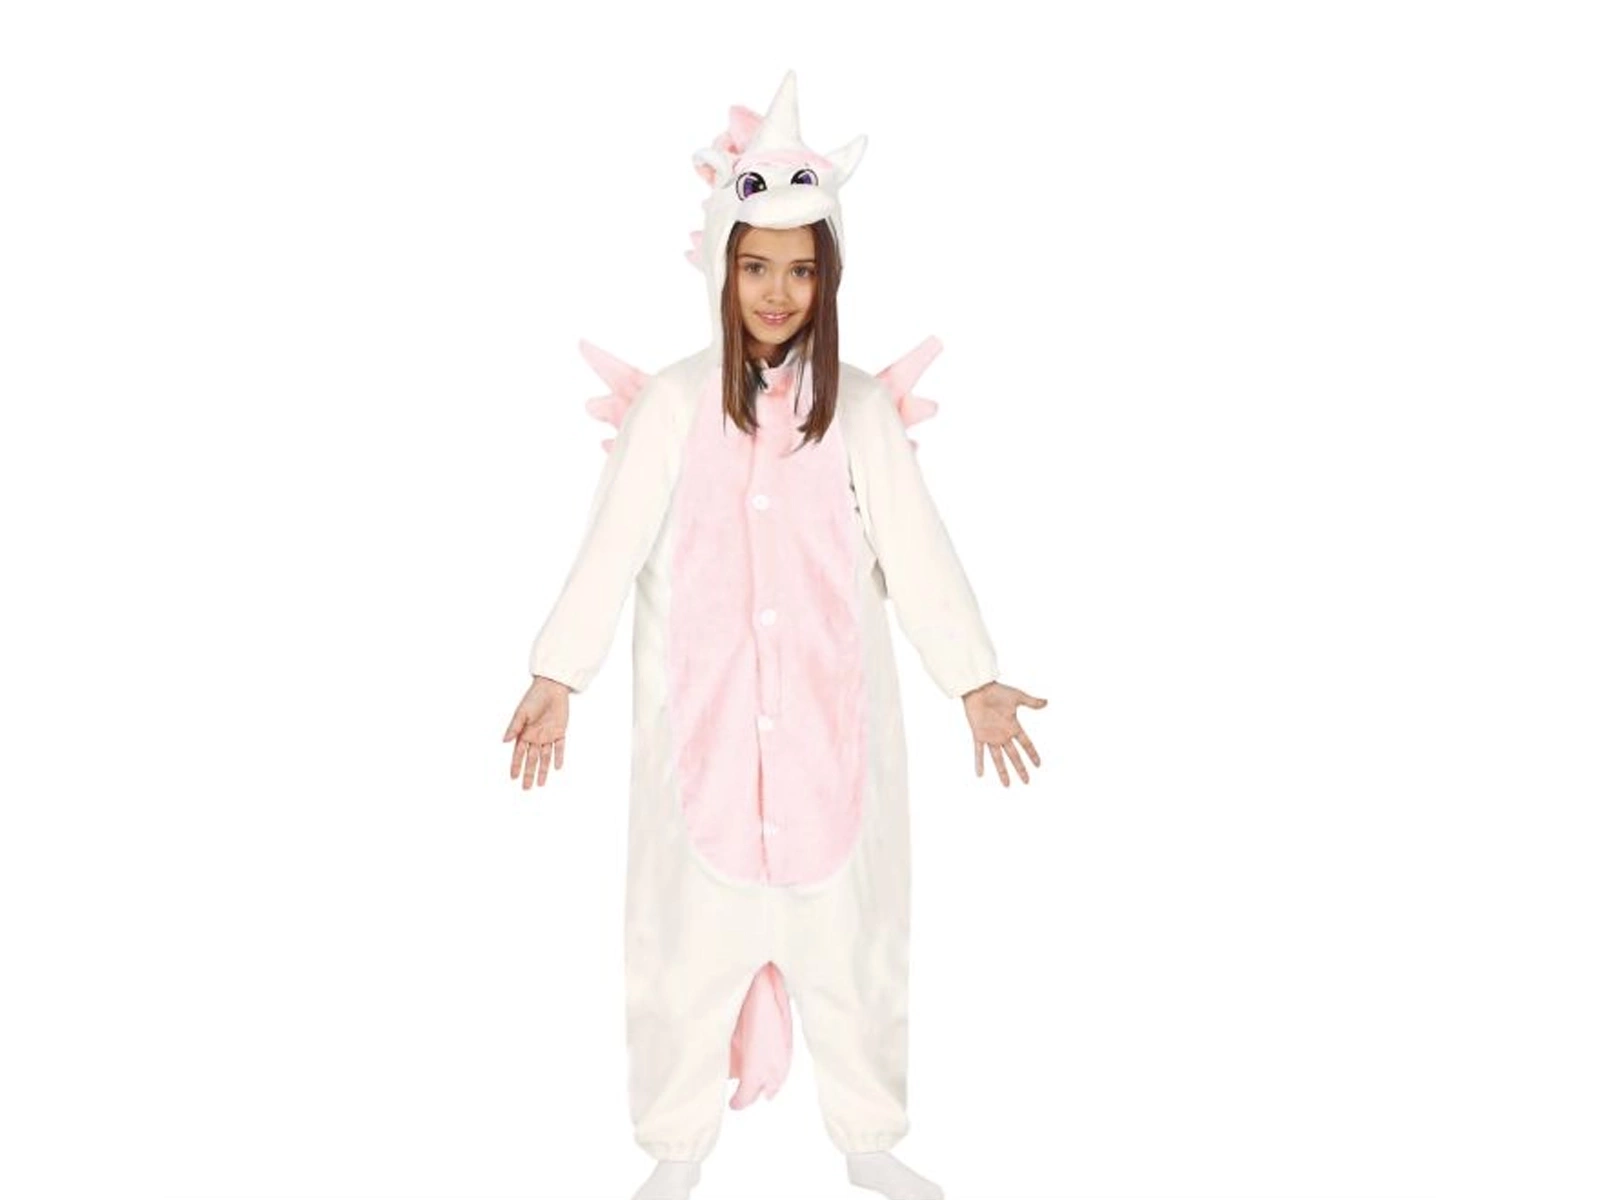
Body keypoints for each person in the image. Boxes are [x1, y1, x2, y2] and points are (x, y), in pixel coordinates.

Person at [501, 70, 1046, 1200]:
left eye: (801, 271)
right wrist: (559, 673)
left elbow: (919, 551)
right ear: (721, 266)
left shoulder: (859, 412)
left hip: (830, 737)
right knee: (680, 950)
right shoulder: (671, 407)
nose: (777, 292)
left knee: (855, 942)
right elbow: (609, 547)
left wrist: (973, 680)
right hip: (698, 738)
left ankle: (869, 1135)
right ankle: (675, 1147)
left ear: (828, 280)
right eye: (756, 267)